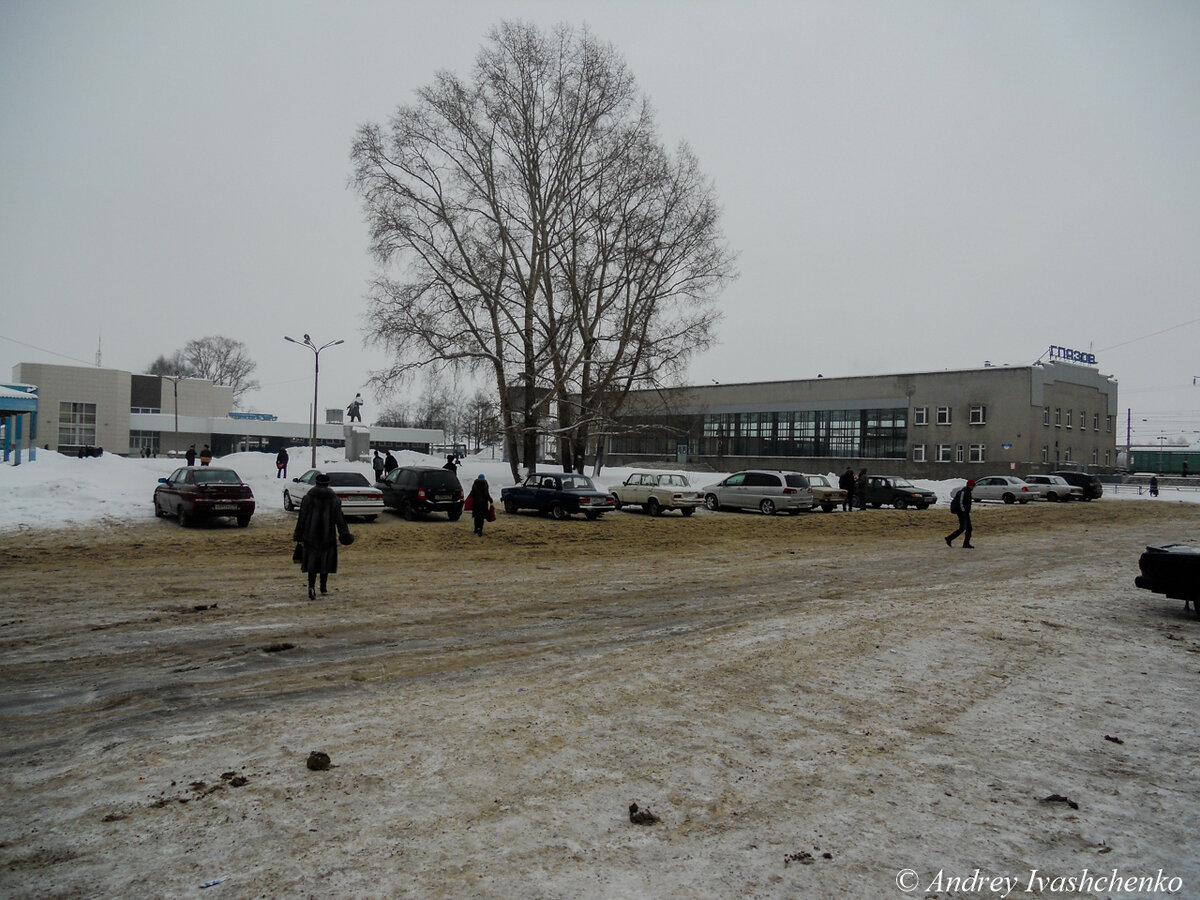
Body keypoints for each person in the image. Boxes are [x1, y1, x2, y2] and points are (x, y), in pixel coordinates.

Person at [293, 472, 353, 599]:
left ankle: (311, 586)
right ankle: (323, 586)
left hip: (310, 534)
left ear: (316, 483)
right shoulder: (334, 499)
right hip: (328, 535)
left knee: (312, 561)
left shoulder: (308, 498)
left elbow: (302, 517)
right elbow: (340, 519)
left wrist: (298, 534)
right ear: (328, 484)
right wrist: (345, 534)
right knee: (325, 560)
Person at [946, 479, 975, 548]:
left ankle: (966, 543)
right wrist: (964, 511)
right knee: (963, 528)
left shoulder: (968, 492)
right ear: (970, 485)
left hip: (965, 512)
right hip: (962, 513)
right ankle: (949, 538)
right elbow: (960, 502)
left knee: (968, 528)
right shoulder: (964, 492)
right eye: (973, 485)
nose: (974, 487)